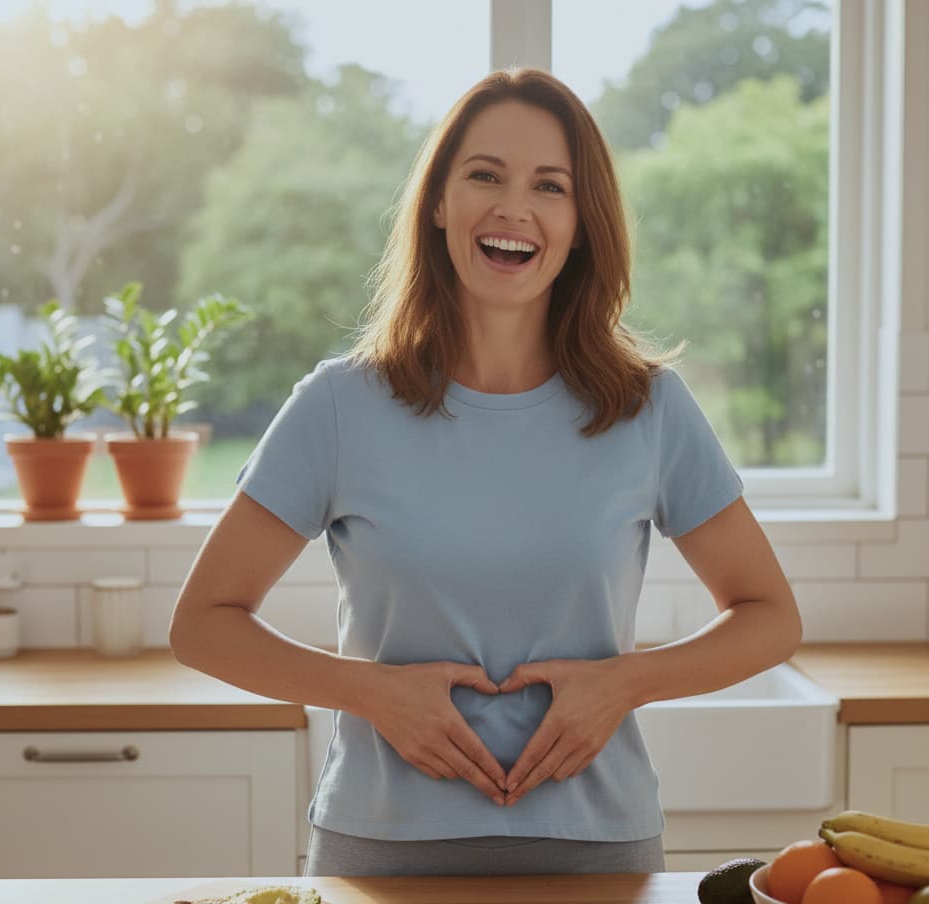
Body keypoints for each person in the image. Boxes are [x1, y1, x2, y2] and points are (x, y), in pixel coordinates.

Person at [169, 67, 803, 878]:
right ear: (439, 204)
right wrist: (370, 693)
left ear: (580, 224)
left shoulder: (648, 407)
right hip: (381, 849)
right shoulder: (339, 406)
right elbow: (203, 625)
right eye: (484, 176)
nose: (515, 208)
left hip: (598, 851)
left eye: (550, 185)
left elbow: (770, 616)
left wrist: (624, 684)